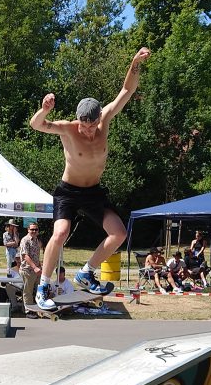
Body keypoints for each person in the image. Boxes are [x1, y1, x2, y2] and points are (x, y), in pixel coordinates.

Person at [29, 46, 151, 309]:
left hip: (94, 192)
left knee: (118, 234)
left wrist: (135, 63)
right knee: (60, 232)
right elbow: (36, 125)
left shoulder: (105, 119)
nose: (86, 131)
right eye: (82, 126)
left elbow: (127, 91)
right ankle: (44, 286)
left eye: (90, 126)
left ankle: (86, 272)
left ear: (98, 119)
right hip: (69, 192)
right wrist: (44, 110)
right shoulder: (67, 129)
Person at [18, 223, 43, 317]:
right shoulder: (25, 240)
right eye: (32, 229)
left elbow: (36, 256)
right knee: (27, 291)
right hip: (27, 270)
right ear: (28, 230)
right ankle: (29, 311)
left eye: (36, 229)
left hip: (36, 270)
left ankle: (37, 308)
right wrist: (35, 267)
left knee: (37, 290)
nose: (34, 231)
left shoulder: (37, 240)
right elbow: (25, 256)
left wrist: (40, 266)